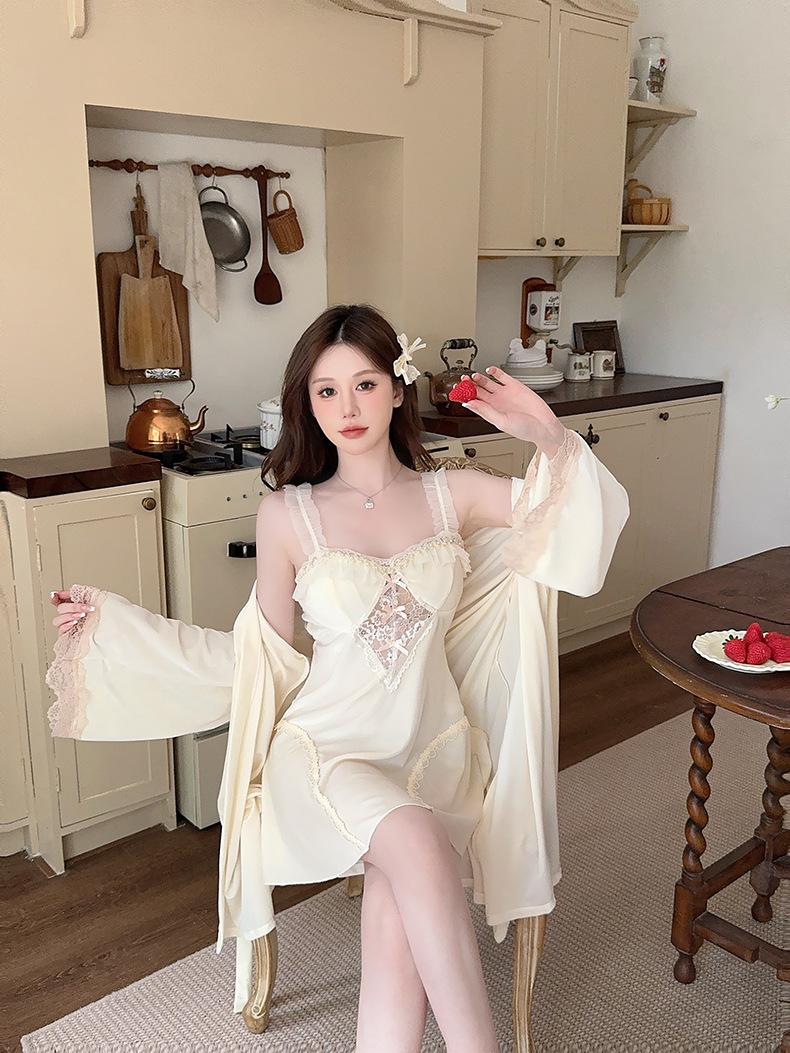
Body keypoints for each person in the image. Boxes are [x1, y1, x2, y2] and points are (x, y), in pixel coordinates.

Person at [49, 303, 629, 1051]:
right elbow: (259, 655)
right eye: (326, 390)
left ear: (397, 386)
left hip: (434, 749)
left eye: (364, 384)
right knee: (414, 843)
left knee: (396, 902)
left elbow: (572, 535)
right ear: (307, 403)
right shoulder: (287, 515)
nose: (347, 408)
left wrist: (547, 433)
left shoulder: (455, 494)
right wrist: (119, 627)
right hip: (328, 751)